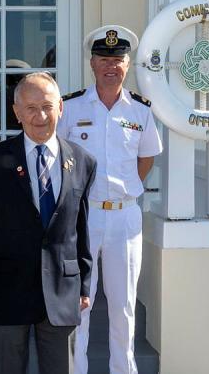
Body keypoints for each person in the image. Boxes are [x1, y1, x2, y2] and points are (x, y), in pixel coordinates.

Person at [0, 72, 96, 374]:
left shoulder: (82, 161)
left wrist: (82, 283)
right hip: (6, 290)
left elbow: (79, 229)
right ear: (16, 112)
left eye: (47, 106)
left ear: (61, 108)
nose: (40, 116)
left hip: (60, 291)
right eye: (30, 108)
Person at [58, 25, 163, 374]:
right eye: (104, 58)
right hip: (82, 218)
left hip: (124, 219)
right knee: (79, 306)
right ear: (92, 63)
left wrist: (127, 185)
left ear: (127, 64)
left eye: (117, 60)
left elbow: (146, 158)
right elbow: (56, 156)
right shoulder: (70, 108)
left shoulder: (140, 111)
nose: (111, 66)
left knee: (123, 307)